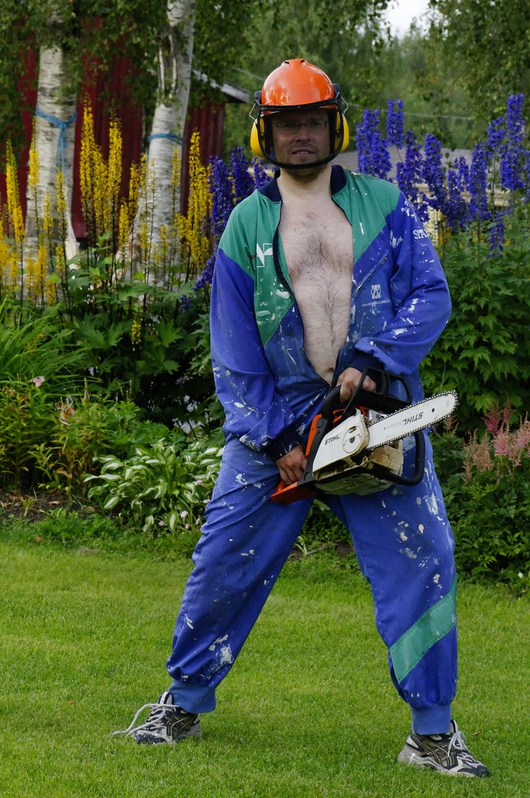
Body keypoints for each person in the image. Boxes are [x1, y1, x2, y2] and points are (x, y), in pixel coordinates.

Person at [116, 59, 490, 778]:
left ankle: (432, 733)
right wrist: (276, 436)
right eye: (287, 123)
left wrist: (375, 360)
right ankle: (184, 701)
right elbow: (232, 346)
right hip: (275, 422)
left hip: (376, 414)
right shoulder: (244, 227)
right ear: (266, 131)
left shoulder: (385, 205)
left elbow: (430, 296)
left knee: (424, 558)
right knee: (223, 562)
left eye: (312, 121)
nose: (300, 135)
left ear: (334, 125)